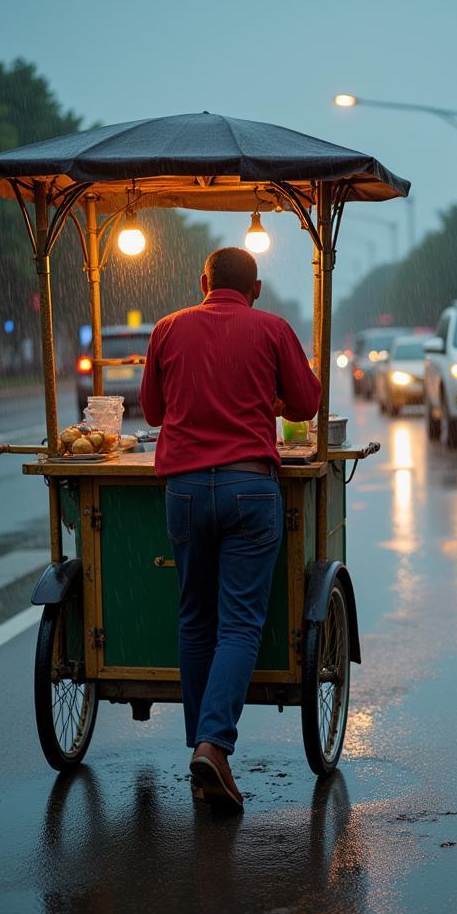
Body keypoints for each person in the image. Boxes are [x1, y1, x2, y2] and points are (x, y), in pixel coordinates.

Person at [140, 247, 320, 811]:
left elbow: (150, 411)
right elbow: (307, 403)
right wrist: (267, 394)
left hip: (186, 492)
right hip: (250, 489)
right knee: (239, 625)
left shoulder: (168, 329)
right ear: (257, 288)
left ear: (202, 282)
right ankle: (213, 746)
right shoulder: (271, 329)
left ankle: (202, 750)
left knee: (195, 620)